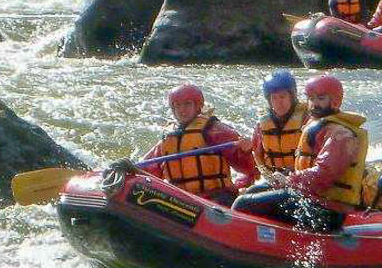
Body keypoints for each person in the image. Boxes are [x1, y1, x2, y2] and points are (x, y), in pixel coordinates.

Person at [233, 74, 369, 231]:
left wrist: (290, 181)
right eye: (311, 99)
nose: (315, 104)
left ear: (335, 101)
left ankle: (257, 245)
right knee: (252, 192)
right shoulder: (319, 127)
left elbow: (324, 174)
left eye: (321, 98)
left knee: (243, 204)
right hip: (311, 198)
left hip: (327, 210)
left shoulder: (340, 134)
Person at [140, 83, 253, 197]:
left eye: (187, 104)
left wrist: (245, 151)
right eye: (177, 105)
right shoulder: (169, 136)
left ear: (198, 106)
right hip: (180, 199)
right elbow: (147, 169)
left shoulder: (215, 130)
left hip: (216, 196)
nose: (182, 110)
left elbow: (249, 169)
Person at [238, 69, 307, 181]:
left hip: (299, 180)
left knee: (244, 200)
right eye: (274, 98)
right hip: (273, 179)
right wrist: (247, 150)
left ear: (292, 97)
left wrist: (294, 176)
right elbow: (257, 158)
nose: (279, 102)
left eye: (283, 96)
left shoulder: (307, 119)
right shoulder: (262, 125)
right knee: (246, 194)